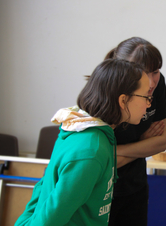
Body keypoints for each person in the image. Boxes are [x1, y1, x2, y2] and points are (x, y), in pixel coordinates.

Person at [15, 59, 151, 226]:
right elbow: (49, 218)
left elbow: (44, 187)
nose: (148, 103)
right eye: (146, 96)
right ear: (123, 101)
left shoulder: (84, 129)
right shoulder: (90, 151)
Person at [105, 37, 166, 226]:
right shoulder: (106, 89)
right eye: (142, 73)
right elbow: (102, 162)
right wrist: (143, 144)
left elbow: (161, 142)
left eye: (155, 72)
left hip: (136, 185)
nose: (151, 82)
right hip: (103, 189)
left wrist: (117, 151)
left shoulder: (157, 85)